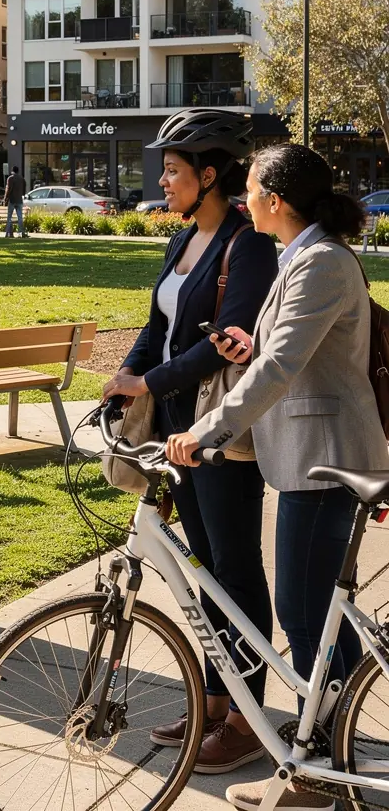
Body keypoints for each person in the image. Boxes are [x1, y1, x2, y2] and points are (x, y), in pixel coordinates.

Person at [168, 143, 389, 811]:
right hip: (308, 455)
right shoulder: (302, 258)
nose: (245, 199)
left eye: (254, 188)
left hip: (329, 461)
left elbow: (282, 368)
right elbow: (281, 353)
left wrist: (209, 431)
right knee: (312, 611)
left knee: (301, 607)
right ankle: (327, 753)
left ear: (278, 200)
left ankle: (321, 768)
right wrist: (248, 348)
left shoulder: (321, 261)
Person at [103, 109, 279, 776]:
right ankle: (212, 699)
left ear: (210, 175)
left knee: (235, 572)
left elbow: (224, 340)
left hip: (219, 432)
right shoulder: (183, 241)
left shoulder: (248, 243)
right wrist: (129, 379)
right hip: (176, 431)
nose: (164, 180)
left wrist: (151, 377)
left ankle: (247, 719)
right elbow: (160, 322)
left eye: (174, 170)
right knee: (205, 572)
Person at [4, 166, 27, 238]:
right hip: (19, 200)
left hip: (12, 200)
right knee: (20, 217)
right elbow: (24, 188)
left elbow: (9, 189)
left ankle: (8, 233)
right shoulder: (22, 179)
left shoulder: (10, 178)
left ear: (12, 171)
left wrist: (6, 198)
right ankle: (21, 232)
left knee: (9, 217)